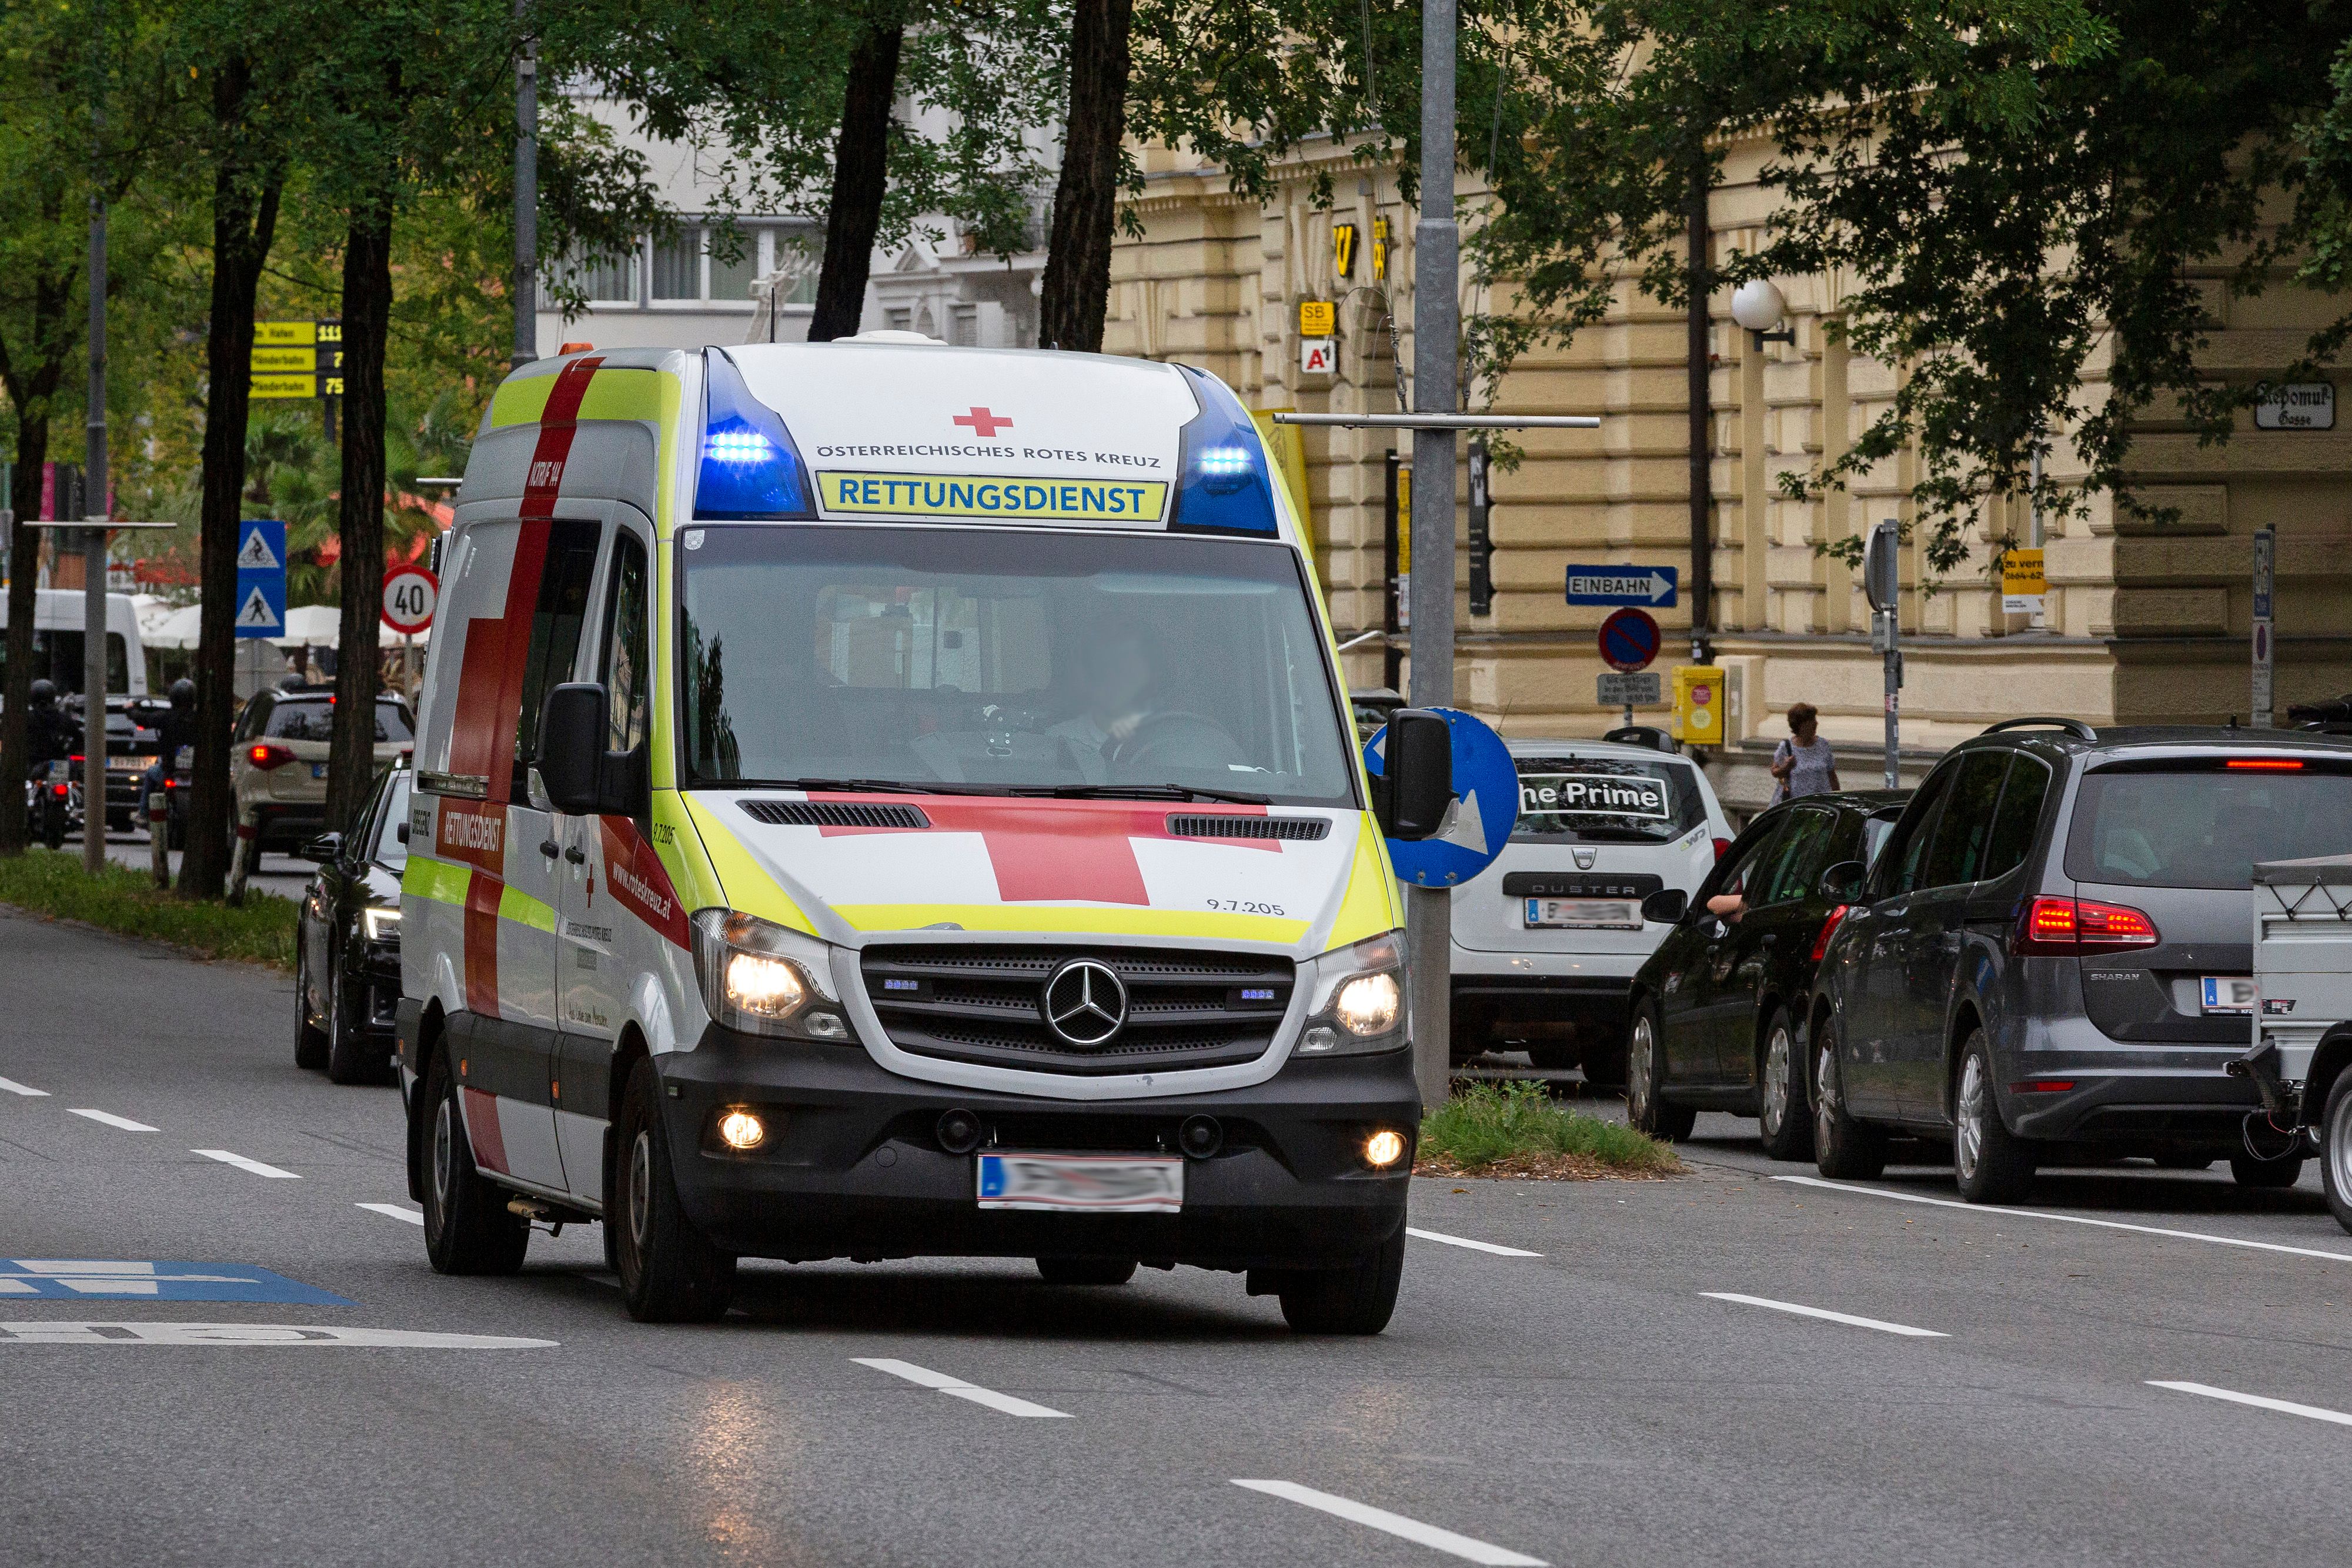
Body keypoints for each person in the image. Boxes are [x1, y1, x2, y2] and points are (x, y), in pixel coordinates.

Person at [1046, 627, 1155, 782]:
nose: (1117, 680)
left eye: (1128, 671)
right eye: (1108, 670)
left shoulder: (1160, 741)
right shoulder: (1059, 740)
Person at [142, 679, 199, 838]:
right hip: (195, 772)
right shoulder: (200, 719)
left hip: (169, 770)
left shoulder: (166, 718)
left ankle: (143, 812)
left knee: (150, 774)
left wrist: (132, 711)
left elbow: (145, 720)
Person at [1769, 701, 1839, 804]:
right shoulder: (1787, 747)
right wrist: (1787, 767)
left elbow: (1832, 776)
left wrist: (1838, 800)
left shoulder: (1823, 745)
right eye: (1811, 720)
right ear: (1800, 725)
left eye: (1815, 719)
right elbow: (1775, 772)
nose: (1816, 723)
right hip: (1795, 807)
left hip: (1820, 806)